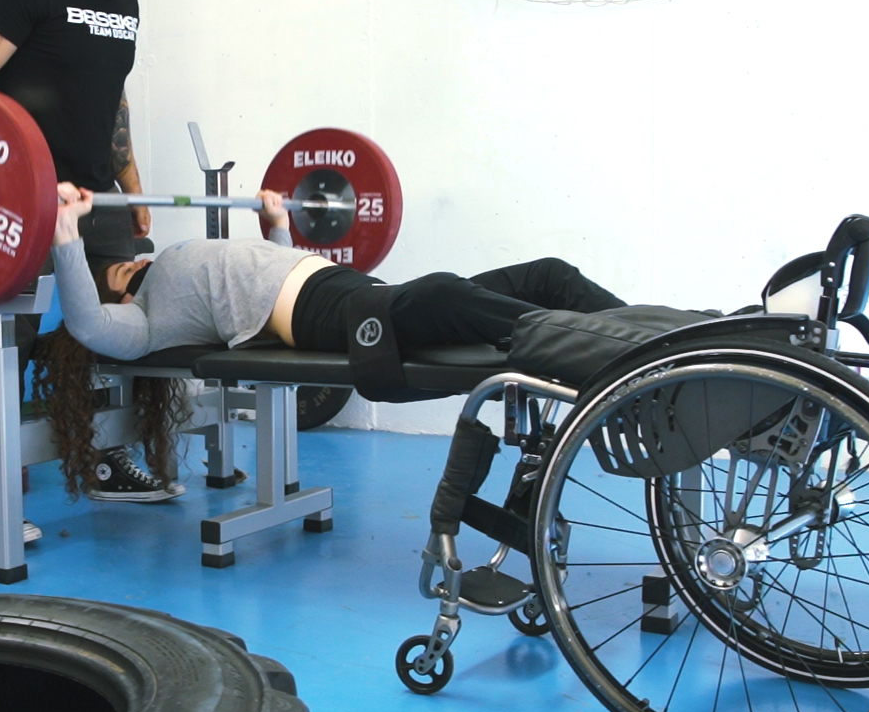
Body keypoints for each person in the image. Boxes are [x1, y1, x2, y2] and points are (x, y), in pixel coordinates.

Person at [34, 183, 627, 495]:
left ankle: (663, 335)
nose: (121, 263)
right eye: (106, 271)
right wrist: (65, 233)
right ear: (112, 292)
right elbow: (86, 323)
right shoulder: (146, 320)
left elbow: (271, 263)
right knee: (447, 294)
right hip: (326, 315)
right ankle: (604, 350)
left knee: (546, 274)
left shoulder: (173, 262)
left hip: (347, 289)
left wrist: (274, 223)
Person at [0, 0, 183, 539]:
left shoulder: (125, 0)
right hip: (23, 192)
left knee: (126, 321)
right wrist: (8, 176)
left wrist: (130, 177)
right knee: (9, 335)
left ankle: (106, 458)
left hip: (99, 191)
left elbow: (114, 95)